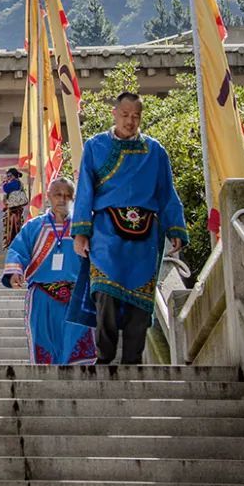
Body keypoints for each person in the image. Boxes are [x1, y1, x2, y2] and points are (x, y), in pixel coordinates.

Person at [70, 92, 188, 365]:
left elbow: (166, 192)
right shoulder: (95, 146)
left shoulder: (155, 151)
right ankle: (105, 356)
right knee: (104, 291)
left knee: (140, 300)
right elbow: (85, 191)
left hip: (145, 234)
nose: (130, 121)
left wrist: (175, 228)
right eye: (125, 115)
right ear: (114, 113)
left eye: (136, 116)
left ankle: (133, 360)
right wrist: (81, 233)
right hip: (105, 231)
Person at [1, 177, 96, 365]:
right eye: (58, 194)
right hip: (42, 294)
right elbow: (17, 250)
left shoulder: (83, 228)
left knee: (76, 347)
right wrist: (15, 271)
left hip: (76, 295)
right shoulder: (34, 226)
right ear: (49, 196)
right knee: (44, 344)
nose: (63, 199)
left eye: (68, 195)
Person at [1, 167, 29, 253]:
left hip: (15, 211)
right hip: (13, 210)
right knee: (12, 227)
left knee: (14, 228)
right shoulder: (16, 183)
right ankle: (12, 244)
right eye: (7, 175)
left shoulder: (15, 183)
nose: (8, 177)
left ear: (14, 175)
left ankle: (14, 244)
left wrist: (5, 183)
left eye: (9, 175)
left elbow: (6, 188)